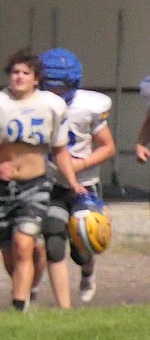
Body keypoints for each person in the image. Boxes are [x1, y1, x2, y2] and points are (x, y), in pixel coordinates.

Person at [0, 49, 85, 312]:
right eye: (15, 72)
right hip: (0, 186)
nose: (19, 77)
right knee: (10, 251)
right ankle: (28, 289)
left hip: (35, 184)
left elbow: (59, 150)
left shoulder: (53, 106)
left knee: (24, 244)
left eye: (26, 73)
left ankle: (19, 308)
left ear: (36, 79)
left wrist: (73, 181)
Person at [36, 49, 115, 307]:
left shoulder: (88, 106)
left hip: (86, 184)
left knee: (82, 247)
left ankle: (88, 271)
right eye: (53, 87)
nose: (58, 94)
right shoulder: (33, 103)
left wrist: (81, 164)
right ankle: (64, 307)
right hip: (52, 184)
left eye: (63, 87)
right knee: (53, 240)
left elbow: (108, 147)